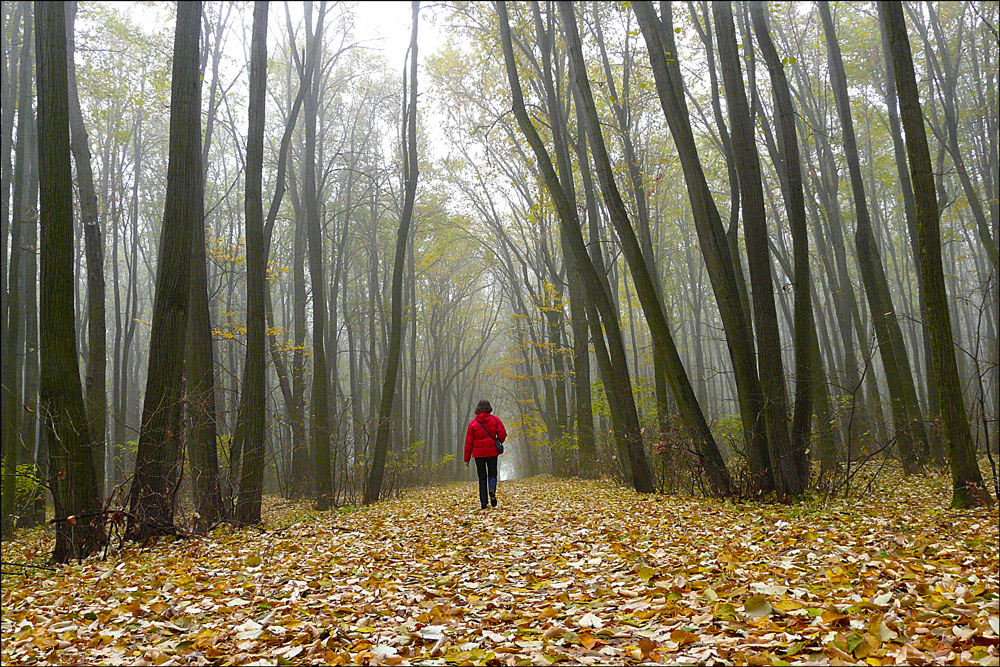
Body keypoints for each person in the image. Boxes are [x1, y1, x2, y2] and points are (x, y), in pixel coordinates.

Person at [464, 399, 507, 509]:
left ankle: (484, 503)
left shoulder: (473, 423)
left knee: (482, 477)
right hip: (492, 452)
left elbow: (469, 442)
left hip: (478, 455)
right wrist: (497, 441)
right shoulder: (495, 420)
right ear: (489, 408)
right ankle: (492, 491)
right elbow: (503, 433)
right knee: (492, 475)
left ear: (478, 409)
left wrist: (466, 459)